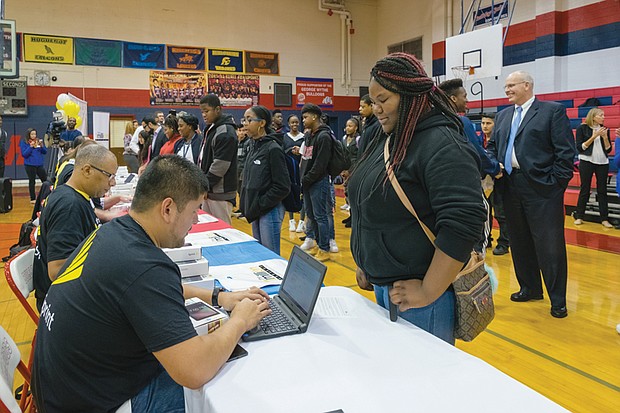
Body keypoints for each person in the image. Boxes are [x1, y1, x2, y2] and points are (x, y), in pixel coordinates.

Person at [32, 155, 271, 413]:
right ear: (167, 209)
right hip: (91, 403)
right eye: (194, 211)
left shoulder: (112, 233)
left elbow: (151, 290)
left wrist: (218, 297)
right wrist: (240, 321)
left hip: (60, 390)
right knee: (226, 391)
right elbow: (194, 369)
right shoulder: (145, 265)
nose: (196, 221)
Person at [348, 53, 486, 345]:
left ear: (409, 94)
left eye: (383, 99)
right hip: (385, 286)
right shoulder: (383, 136)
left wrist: (427, 291)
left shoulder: (442, 143)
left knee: (422, 387)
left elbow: (463, 224)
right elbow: (367, 202)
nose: (377, 109)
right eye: (373, 102)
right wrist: (367, 260)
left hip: (422, 300)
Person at [487, 70, 576, 319]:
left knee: (550, 246)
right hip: (509, 185)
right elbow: (493, 147)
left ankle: (557, 299)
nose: (507, 90)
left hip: (542, 189)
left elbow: (565, 153)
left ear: (527, 85)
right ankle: (529, 288)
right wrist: (495, 166)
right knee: (520, 241)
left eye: (511, 85)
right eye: (506, 86)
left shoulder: (551, 111)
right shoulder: (502, 116)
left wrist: (556, 183)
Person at [33, 144, 118, 311]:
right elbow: (57, 270)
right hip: (61, 302)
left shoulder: (76, 195)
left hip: (67, 293)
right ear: (87, 171)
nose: (113, 183)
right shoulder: (69, 206)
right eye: (109, 176)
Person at [239, 106, 290, 254]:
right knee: (261, 254)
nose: (245, 124)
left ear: (262, 123)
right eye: (244, 120)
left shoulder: (273, 148)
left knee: (271, 255)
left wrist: (261, 203)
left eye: (249, 120)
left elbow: (282, 186)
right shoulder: (252, 146)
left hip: (269, 210)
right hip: (256, 209)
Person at [298, 104, 335, 262]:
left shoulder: (324, 136)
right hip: (307, 182)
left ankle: (324, 248)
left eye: (305, 117)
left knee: (321, 216)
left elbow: (320, 165)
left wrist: (307, 179)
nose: (303, 120)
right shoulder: (310, 136)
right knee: (311, 216)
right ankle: (318, 244)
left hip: (318, 182)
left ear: (314, 117)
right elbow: (306, 159)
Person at [198, 94, 238, 224]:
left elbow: (220, 166)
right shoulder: (211, 128)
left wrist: (205, 185)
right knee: (209, 230)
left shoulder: (225, 131)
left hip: (221, 194)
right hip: (209, 192)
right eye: (202, 111)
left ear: (218, 109)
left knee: (223, 232)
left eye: (207, 111)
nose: (204, 114)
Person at [573, 108, 613, 228]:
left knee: (602, 190)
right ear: (593, 116)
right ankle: (579, 216)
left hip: (602, 161)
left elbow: (608, 149)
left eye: (603, 115)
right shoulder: (582, 128)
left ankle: (604, 219)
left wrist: (605, 137)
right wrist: (594, 136)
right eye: (601, 115)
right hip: (587, 160)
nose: (603, 117)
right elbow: (580, 148)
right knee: (585, 188)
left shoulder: (605, 129)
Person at [480, 113, 510, 255]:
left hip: (499, 179)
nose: (485, 126)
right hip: (482, 180)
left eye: (488, 123)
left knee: (501, 212)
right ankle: (487, 238)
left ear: (495, 125)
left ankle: (504, 242)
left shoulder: (501, 139)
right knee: (485, 212)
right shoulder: (479, 139)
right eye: (483, 123)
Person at [283, 114, 305, 232]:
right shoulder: (285, 137)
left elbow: (307, 152)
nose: (295, 124)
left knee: (302, 195)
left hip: (301, 169)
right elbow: (281, 152)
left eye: (297, 122)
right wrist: (290, 150)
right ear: (289, 124)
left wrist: (300, 151)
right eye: (292, 122)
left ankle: (302, 221)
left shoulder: (304, 137)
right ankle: (291, 221)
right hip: (289, 170)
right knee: (291, 193)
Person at [20, 128, 48, 204]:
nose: (34, 135)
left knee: (45, 180)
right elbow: (24, 154)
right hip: (30, 165)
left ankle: (48, 195)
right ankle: (32, 198)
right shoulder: (24, 142)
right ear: (28, 135)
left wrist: (42, 146)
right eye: (32, 134)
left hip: (39, 165)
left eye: (35, 134)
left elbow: (45, 152)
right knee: (32, 181)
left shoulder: (38, 141)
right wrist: (31, 147)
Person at [340, 117, 360, 217]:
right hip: (345, 165)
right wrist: (342, 168)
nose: (347, 128)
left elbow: (360, 156)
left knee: (352, 185)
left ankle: (352, 204)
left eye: (350, 126)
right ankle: (347, 202)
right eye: (347, 126)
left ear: (356, 128)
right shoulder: (343, 138)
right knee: (345, 185)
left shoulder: (358, 139)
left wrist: (351, 170)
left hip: (355, 166)